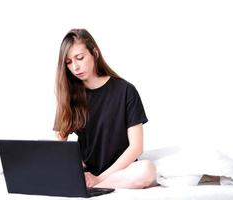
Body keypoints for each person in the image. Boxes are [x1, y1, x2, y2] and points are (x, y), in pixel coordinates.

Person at [53, 28, 156, 189]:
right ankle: (89, 184)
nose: (75, 67)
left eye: (79, 58)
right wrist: (75, 164)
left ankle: (95, 187)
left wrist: (99, 179)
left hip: (120, 171)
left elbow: (136, 147)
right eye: (69, 62)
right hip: (88, 172)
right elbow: (61, 146)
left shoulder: (125, 91)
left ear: (94, 53)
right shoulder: (69, 96)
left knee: (147, 170)